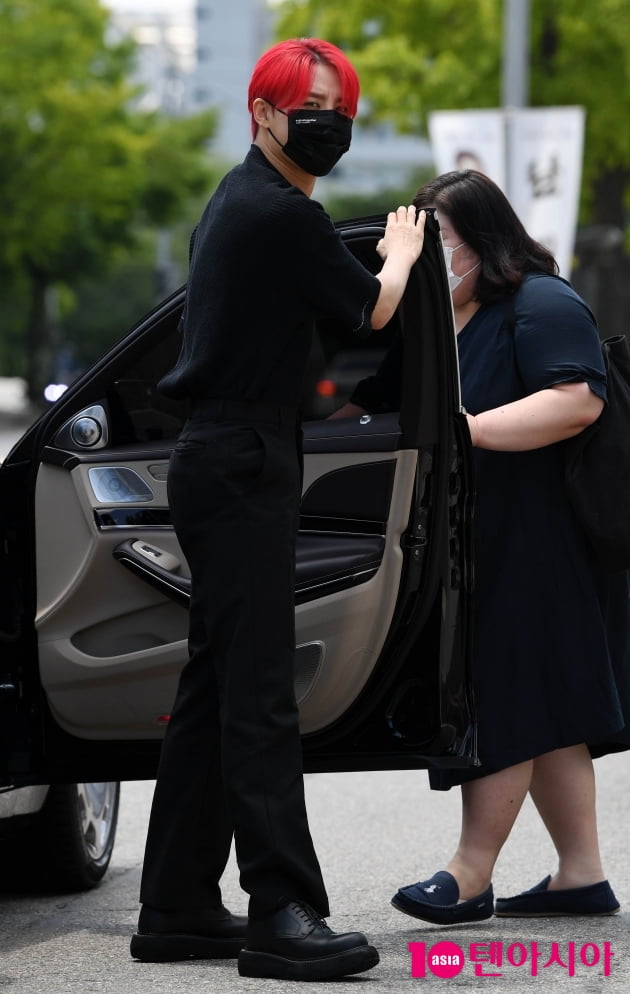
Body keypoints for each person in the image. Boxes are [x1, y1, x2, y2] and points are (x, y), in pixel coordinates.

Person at [128, 37, 425, 981]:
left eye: (340, 103)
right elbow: (372, 313)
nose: (328, 120)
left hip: (222, 455)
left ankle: (175, 905)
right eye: (310, 103)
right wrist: (407, 250)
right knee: (258, 696)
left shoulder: (236, 196)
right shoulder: (284, 214)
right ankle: (281, 910)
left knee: (216, 688)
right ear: (262, 112)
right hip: (242, 458)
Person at [337, 169, 630, 925]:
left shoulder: (540, 302)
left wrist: (462, 429)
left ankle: (469, 873)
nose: (430, 258)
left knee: (499, 693)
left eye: (439, 242)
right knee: (546, 704)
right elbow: (380, 402)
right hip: (477, 535)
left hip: (538, 537)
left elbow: (576, 401)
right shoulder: (443, 321)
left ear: (485, 241)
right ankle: (580, 876)